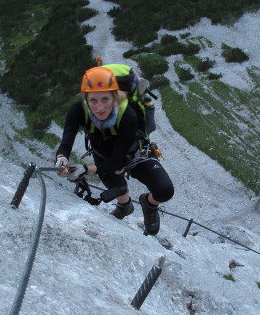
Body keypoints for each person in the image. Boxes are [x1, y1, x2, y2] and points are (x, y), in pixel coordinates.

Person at [55, 65, 174, 235]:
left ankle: (149, 204)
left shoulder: (127, 115)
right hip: (104, 157)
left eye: (105, 99)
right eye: (93, 100)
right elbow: (66, 142)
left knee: (165, 191)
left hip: (136, 154)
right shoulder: (78, 110)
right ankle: (125, 206)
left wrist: (84, 169)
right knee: (120, 190)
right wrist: (62, 158)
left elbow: (117, 161)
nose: (99, 107)